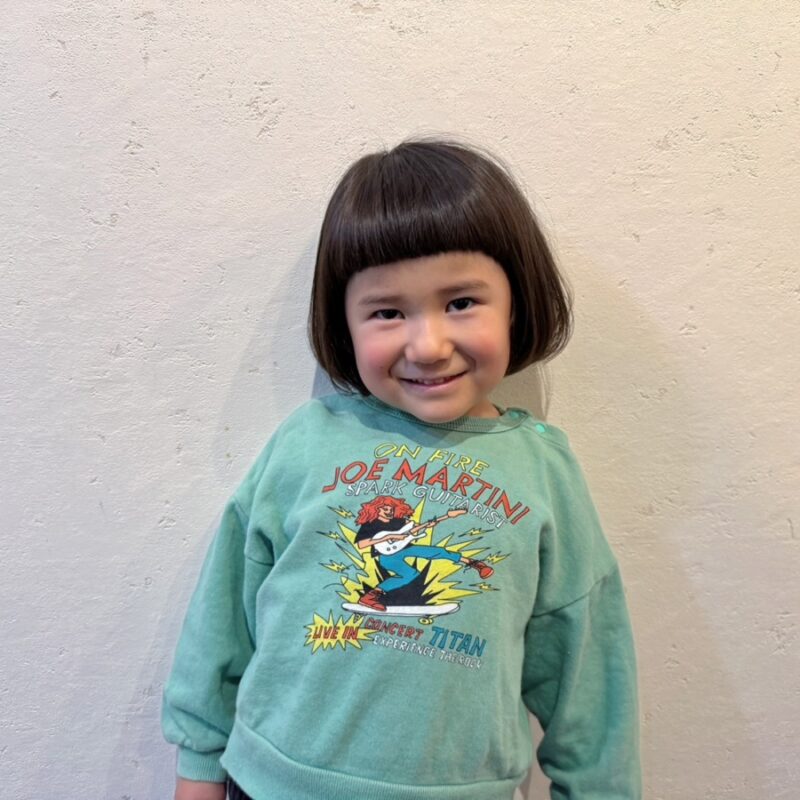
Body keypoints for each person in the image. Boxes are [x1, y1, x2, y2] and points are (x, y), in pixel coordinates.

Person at [162, 139, 641, 800]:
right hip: (270, 784)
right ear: (344, 322)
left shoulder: (543, 471)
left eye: (461, 302)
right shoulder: (304, 443)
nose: (429, 344)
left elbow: (585, 666)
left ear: (515, 302)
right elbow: (223, 614)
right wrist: (198, 763)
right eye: (388, 312)